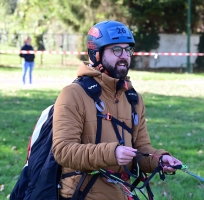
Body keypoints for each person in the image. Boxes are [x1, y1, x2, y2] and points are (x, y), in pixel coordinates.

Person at [52, 20, 182, 200]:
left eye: (128, 50)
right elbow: (63, 151)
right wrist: (112, 153)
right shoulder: (73, 94)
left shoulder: (132, 98)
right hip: (81, 195)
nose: (124, 56)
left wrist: (158, 160)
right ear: (96, 53)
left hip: (120, 194)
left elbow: (140, 149)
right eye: (116, 50)